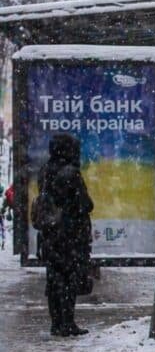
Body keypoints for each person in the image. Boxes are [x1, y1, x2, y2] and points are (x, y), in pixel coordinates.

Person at [37, 134, 93, 337]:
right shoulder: (71, 173)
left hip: (49, 235)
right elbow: (85, 204)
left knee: (54, 279)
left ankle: (56, 323)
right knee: (70, 278)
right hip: (70, 234)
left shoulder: (44, 171)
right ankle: (68, 322)